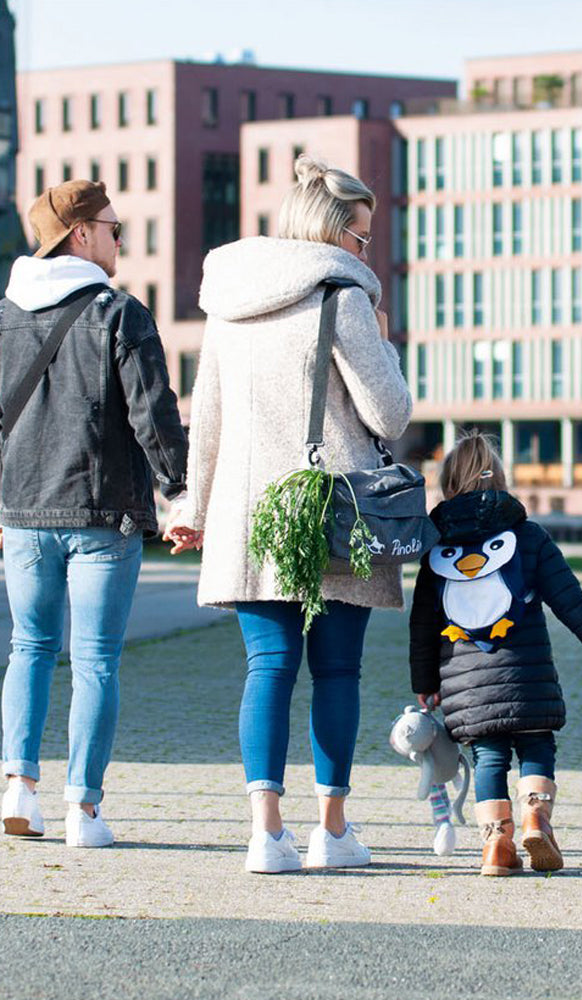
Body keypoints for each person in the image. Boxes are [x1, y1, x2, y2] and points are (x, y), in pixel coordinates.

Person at [164, 156, 411, 875]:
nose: (368, 251)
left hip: (250, 512)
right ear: (333, 234)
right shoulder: (346, 297)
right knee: (337, 673)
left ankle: (264, 834)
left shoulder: (229, 300)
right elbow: (389, 414)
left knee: (267, 666)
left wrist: (194, 506)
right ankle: (331, 831)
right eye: (361, 238)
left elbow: (203, 417)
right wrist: (384, 343)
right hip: (334, 508)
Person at [0, 179, 188, 847]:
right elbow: (153, 414)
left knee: (28, 648)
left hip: (22, 512)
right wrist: (180, 490)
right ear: (80, 235)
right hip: (102, 514)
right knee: (96, 660)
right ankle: (84, 811)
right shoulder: (120, 313)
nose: (120, 241)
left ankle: (18, 790)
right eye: (113, 229)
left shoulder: (4, 312)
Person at [409, 431, 582, 876]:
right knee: (537, 743)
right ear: (501, 480)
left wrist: (425, 682)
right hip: (528, 676)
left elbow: (423, 623)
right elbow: (568, 597)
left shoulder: (436, 548)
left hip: (467, 685)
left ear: (449, 486)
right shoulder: (528, 536)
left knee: (489, 756)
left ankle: (496, 847)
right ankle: (535, 818)